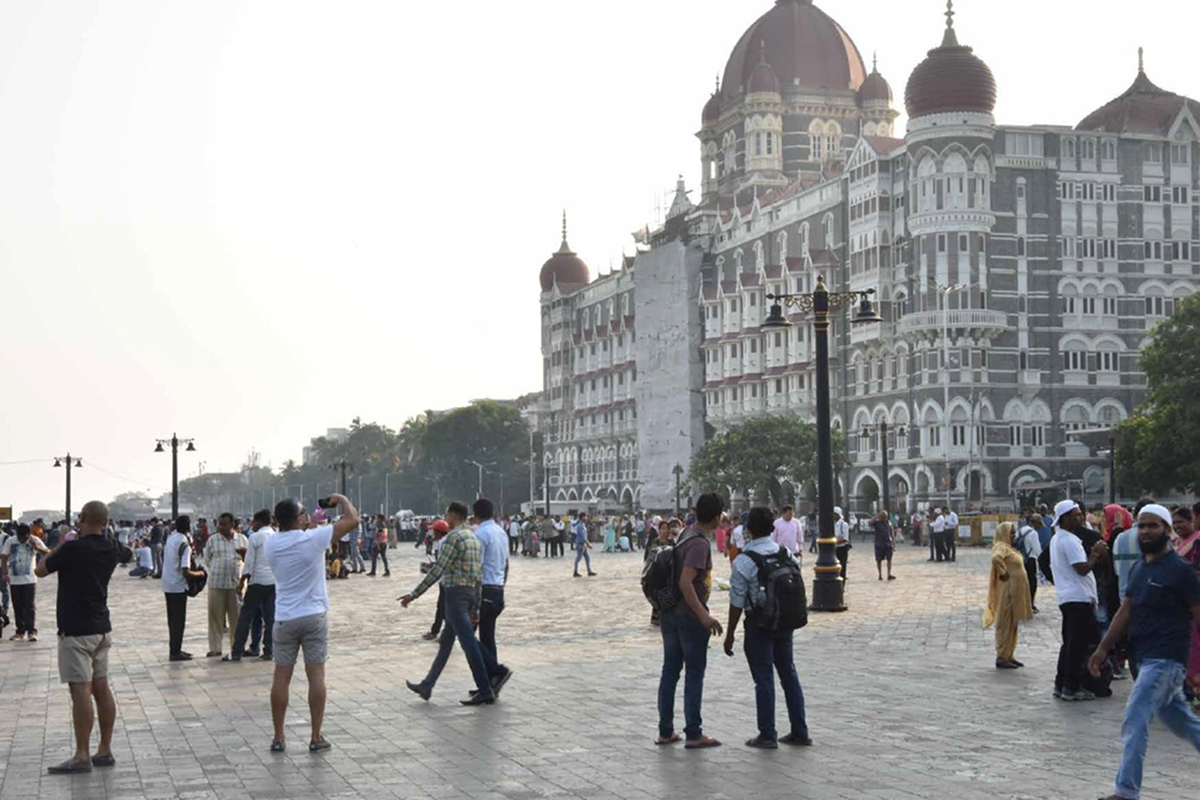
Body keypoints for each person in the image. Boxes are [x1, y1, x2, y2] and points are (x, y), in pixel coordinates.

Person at [1088, 504, 1200, 800]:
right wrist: (1102, 649)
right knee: (1185, 725)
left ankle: (1125, 792)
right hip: (1144, 658)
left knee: (1135, 719)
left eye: (1154, 525)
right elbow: (1125, 613)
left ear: (1167, 530)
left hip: (1166, 660)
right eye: (1142, 525)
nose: (1147, 531)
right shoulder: (1139, 569)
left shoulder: (1181, 571)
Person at [263, 493, 360, 753]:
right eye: (304, 512)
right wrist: (340, 499)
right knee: (315, 675)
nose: (308, 515)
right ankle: (316, 735)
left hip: (284, 617)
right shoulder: (313, 539)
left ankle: (278, 737)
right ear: (298, 518)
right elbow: (353, 520)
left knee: (281, 677)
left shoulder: (271, 545)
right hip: (313, 615)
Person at [34, 501, 119, 774]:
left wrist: (60, 542)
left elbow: (41, 569)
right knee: (101, 687)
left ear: (81, 518)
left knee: (80, 690)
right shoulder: (111, 548)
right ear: (106, 522)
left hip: (76, 630)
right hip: (101, 627)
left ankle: (82, 754)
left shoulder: (72, 548)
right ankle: (104, 749)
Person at [401, 502, 511, 705]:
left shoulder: (454, 538)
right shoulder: (472, 537)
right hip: (471, 592)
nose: (445, 518)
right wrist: (476, 605)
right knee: (446, 643)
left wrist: (413, 594)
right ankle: (428, 684)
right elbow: (479, 574)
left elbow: (438, 570)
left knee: (469, 643)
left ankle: (488, 684)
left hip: (455, 596)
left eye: (447, 514)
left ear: (453, 515)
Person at [722, 506, 811, 749]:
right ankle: (800, 730)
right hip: (784, 621)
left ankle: (767, 733)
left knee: (764, 679)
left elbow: (737, 602)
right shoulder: (786, 554)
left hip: (759, 623)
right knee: (788, 674)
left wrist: (730, 635)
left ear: (748, 530)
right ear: (773, 528)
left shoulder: (744, 561)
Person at [656, 493, 724, 749]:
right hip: (688, 615)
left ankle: (666, 731)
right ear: (717, 517)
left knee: (670, 671)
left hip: (670, 612)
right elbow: (686, 582)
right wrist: (704, 616)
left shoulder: (686, 534)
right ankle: (693, 733)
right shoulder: (699, 544)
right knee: (694, 674)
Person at [1050, 499, 1109, 701]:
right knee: (1077, 646)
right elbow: (1082, 569)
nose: (1081, 517)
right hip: (1078, 599)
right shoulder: (1069, 540)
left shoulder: (1059, 538)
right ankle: (1071, 687)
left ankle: (1061, 682)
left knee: (1069, 643)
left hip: (1069, 597)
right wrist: (1096, 553)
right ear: (1065, 518)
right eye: (1076, 515)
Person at [984, 522, 1034, 669]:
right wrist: (1003, 572)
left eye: (1014, 533)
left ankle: (1009, 655)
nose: (1013, 535)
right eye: (1011, 533)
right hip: (1007, 592)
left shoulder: (1008, 547)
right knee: (1005, 623)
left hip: (1015, 593)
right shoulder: (1000, 546)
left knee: (1013, 624)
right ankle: (1001, 656)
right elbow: (996, 558)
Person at [471, 498, 511, 680]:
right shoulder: (501, 532)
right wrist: (502, 585)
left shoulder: (480, 534)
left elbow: (476, 568)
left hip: (484, 589)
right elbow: (506, 564)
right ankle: (490, 680)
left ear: (476, 515)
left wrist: (473, 598)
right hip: (498, 588)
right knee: (488, 636)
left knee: (468, 636)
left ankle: (496, 670)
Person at [231, 510, 276, 662]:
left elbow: (249, 563)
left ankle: (237, 651)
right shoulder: (275, 536)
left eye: (253, 522)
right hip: (273, 582)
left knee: (245, 616)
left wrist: (241, 581)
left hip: (257, 581)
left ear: (259, 522)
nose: (251, 525)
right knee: (270, 618)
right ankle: (269, 650)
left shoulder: (255, 537)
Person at [204, 512, 248, 659]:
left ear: (232, 525)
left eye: (223, 524)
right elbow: (208, 559)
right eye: (218, 524)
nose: (220, 527)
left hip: (236, 585)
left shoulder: (242, 539)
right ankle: (215, 648)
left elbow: (247, 559)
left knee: (236, 619)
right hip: (216, 584)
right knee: (215, 618)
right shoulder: (212, 540)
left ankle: (236, 647)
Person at [162, 516, 205, 661]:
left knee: (172, 619)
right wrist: (200, 574)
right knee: (178, 621)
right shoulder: (184, 544)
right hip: (178, 586)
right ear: (188, 527)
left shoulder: (171, 538)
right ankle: (175, 652)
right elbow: (185, 570)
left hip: (167, 584)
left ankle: (175, 648)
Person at [2, 523, 51, 641]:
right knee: (17, 606)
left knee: (29, 606)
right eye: (20, 537)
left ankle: (31, 631)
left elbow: (48, 553)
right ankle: (20, 631)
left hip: (30, 579)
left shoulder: (34, 540)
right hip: (14, 579)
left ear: (29, 535)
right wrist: (5, 573)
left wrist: (36, 547)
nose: (22, 540)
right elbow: (3, 557)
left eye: (24, 538)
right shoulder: (10, 541)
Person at [1013, 516, 1042, 612]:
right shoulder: (1033, 533)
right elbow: (1037, 549)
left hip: (1019, 559)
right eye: (1039, 524)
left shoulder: (1021, 531)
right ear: (1035, 523)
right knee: (1032, 583)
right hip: (1030, 560)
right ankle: (1030, 605)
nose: (1040, 527)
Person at [873, 511, 895, 581]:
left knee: (889, 559)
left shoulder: (888, 523)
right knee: (879, 560)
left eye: (885, 516)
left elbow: (891, 533)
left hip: (888, 544)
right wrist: (877, 516)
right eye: (883, 516)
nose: (884, 518)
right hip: (879, 544)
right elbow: (869, 522)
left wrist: (893, 543)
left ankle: (889, 574)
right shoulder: (877, 523)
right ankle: (880, 574)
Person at [573, 512, 596, 577]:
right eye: (585, 516)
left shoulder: (582, 524)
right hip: (581, 544)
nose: (586, 518)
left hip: (583, 544)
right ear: (582, 517)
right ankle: (575, 571)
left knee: (587, 557)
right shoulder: (580, 526)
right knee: (578, 558)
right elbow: (582, 536)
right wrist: (588, 543)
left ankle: (589, 571)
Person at [833, 507, 851, 584]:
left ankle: (842, 584)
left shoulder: (844, 525)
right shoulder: (833, 524)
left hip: (842, 548)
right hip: (834, 549)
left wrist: (835, 541)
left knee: (842, 567)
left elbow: (845, 539)